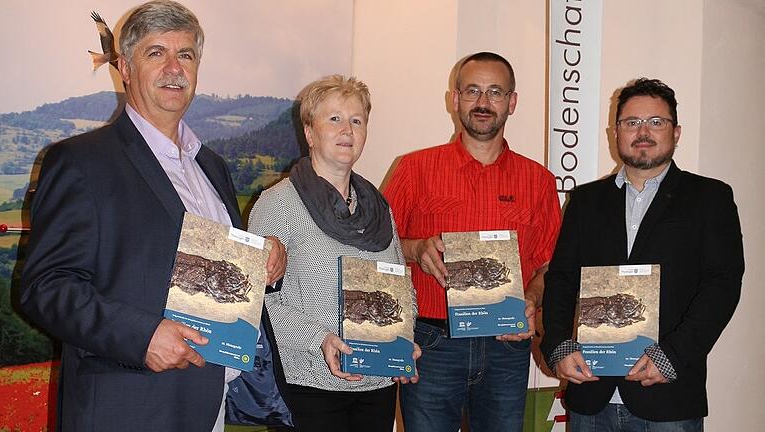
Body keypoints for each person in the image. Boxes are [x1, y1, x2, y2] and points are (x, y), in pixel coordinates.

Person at [19, 1, 290, 430]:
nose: (174, 67)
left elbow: (211, 275)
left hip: (209, 403)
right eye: (156, 53)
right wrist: (142, 336)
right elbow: (47, 288)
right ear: (124, 67)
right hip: (129, 408)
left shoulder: (212, 167)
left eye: (186, 55)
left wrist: (265, 263)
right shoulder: (81, 162)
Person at [540, 78, 744, 431]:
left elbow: (722, 285)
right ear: (615, 132)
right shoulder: (586, 201)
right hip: (591, 396)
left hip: (669, 398)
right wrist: (557, 345)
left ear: (676, 132)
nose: (643, 132)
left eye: (656, 122)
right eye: (632, 122)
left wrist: (672, 356)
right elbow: (560, 278)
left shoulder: (710, 198)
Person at [383, 52, 561, 432]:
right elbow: (376, 250)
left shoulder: (539, 181)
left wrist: (531, 298)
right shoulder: (414, 169)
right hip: (431, 344)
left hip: (507, 345)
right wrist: (415, 249)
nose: (483, 103)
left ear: (512, 102)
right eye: (472, 91)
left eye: (495, 92)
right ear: (455, 99)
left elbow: (550, 264)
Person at [247, 74, 420, 432]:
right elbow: (260, 301)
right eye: (334, 119)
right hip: (308, 381)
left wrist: (404, 338)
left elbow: (401, 286)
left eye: (357, 120)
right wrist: (319, 339)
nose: (347, 130)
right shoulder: (278, 204)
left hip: (377, 382)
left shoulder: (378, 207)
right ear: (310, 133)